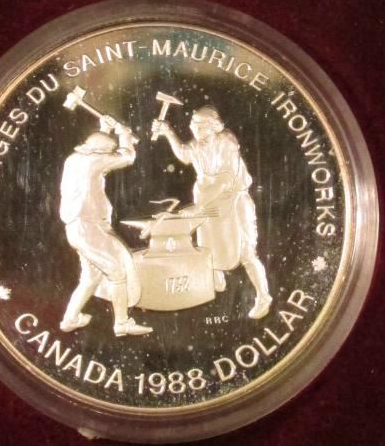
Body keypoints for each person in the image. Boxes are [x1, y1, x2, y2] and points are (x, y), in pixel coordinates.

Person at [151, 105, 271, 319]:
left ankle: (263, 296)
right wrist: (168, 132)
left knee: (246, 252)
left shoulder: (226, 142)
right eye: (194, 125)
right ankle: (216, 281)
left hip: (233, 201)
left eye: (201, 126)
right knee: (208, 247)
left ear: (214, 126)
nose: (195, 129)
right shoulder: (197, 144)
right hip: (207, 198)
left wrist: (200, 207)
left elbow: (225, 180)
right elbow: (184, 155)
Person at [59, 116, 152, 338]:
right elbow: (127, 157)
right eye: (107, 152)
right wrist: (124, 135)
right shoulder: (91, 161)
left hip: (81, 228)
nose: (108, 157)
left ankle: (70, 319)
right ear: (99, 151)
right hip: (89, 228)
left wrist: (106, 130)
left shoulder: (75, 159)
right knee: (116, 271)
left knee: (91, 277)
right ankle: (122, 323)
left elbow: (101, 152)